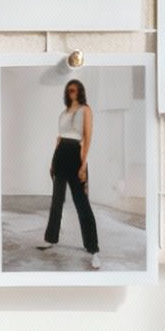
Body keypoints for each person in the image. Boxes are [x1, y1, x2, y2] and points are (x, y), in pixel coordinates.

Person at [37, 78, 102, 270]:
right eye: (69, 90)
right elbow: (59, 138)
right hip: (60, 154)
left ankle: (94, 249)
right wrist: (52, 162)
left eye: (74, 90)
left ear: (80, 91)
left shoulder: (86, 110)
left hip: (75, 154)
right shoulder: (64, 113)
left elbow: (87, 138)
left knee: (82, 203)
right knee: (57, 200)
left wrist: (83, 165)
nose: (71, 93)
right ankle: (51, 238)